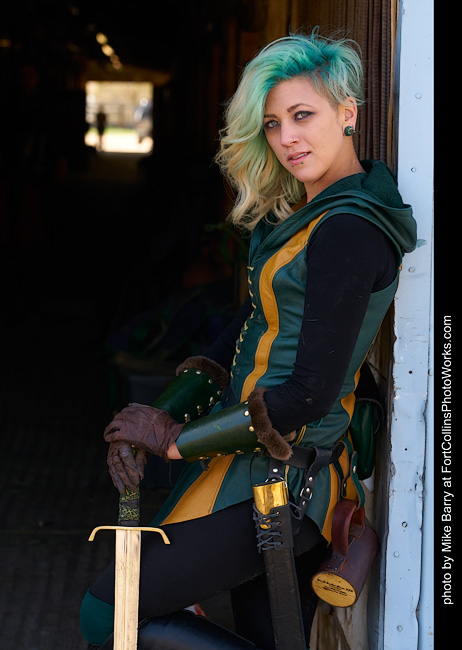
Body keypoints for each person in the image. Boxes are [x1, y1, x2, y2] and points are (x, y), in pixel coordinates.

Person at [80, 28, 417, 649]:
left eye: (302, 115)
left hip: (283, 483)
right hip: (256, 467)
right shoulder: (311, 215)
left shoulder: (348, 231)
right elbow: (239, 337)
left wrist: (174, 442)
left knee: (110, 614)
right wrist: (160, 414)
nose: (287, 138)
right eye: (272, 124)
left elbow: (310, 393)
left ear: (347, 112)